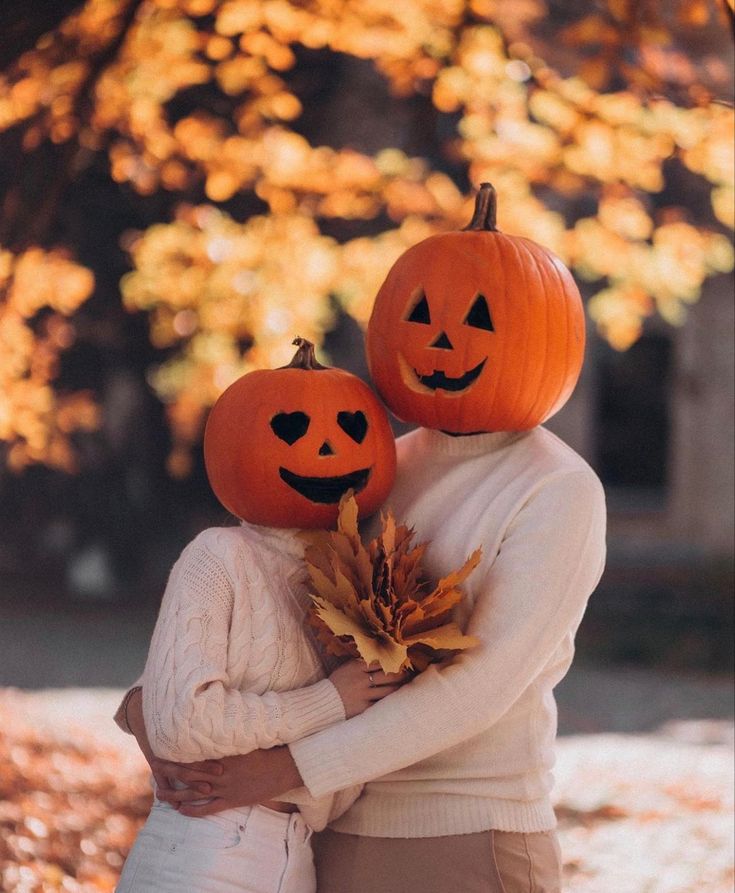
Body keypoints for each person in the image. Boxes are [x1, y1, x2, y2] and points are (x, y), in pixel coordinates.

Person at [123, 186, 607, 892]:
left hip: (461, 833)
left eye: (478, 320)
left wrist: (284, 768)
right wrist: (149, 709)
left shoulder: (557, 488)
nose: (443, 341)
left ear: (546, 337)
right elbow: (267, 596)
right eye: (419, 315)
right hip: (331, 830)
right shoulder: (368, 466)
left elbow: (479, 688)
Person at [114, 339, 405, 893]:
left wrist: (139, 701)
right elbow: (180, 723)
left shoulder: (366, 583)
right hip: (204, 849)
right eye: (293, 429)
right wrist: (329, 701)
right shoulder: (218, 556)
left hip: (300, 857)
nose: (325, 450)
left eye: (349, 429)